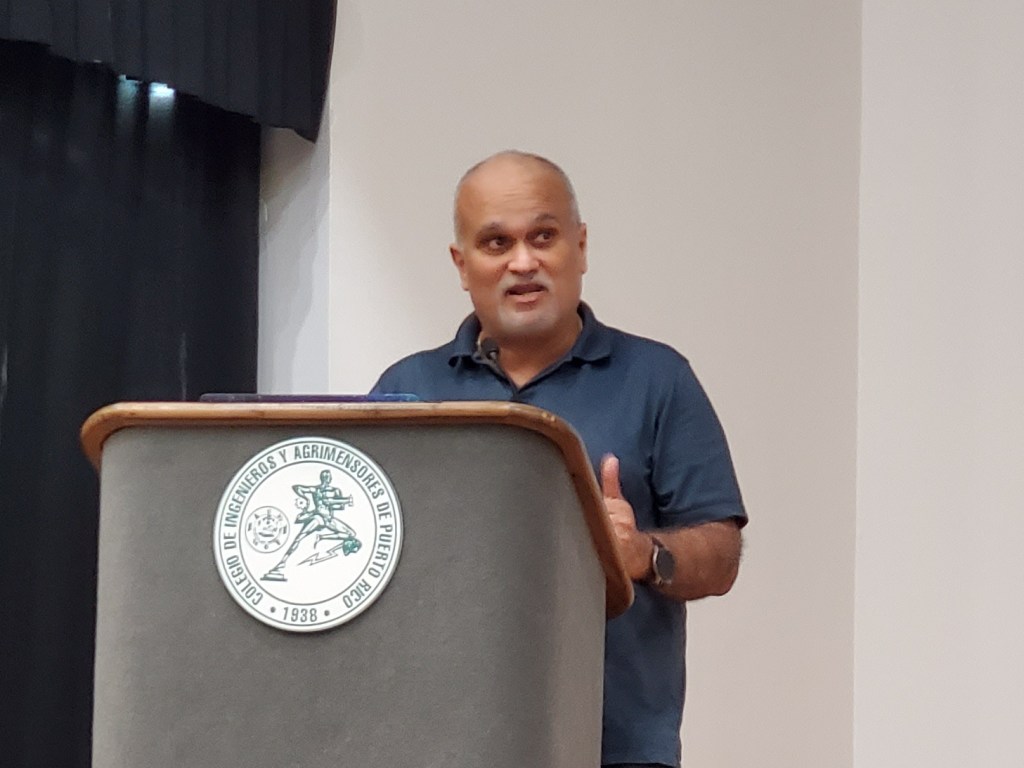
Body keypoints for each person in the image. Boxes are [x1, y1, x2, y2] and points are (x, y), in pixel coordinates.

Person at [371, 151, 746, 767]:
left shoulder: (658, 379)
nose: (523, 262)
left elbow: (722, 556)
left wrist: (642, 555)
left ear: (580, 246)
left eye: (543, 236)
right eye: (496, 242)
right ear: (462, 266)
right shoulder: (405, 389)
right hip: (438, 743)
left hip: (612, 747)